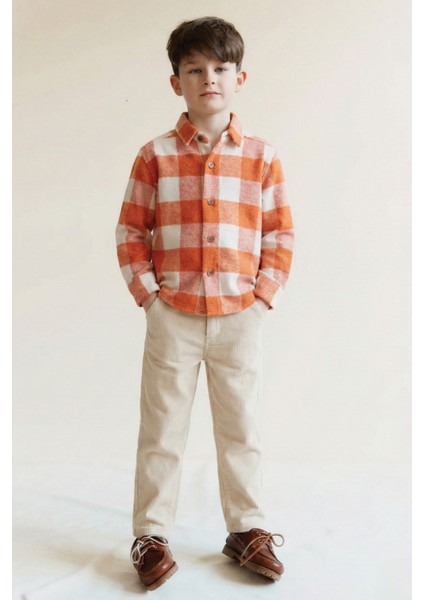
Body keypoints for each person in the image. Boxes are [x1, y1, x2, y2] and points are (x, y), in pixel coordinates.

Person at [115, 16, 294, 591]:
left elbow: (279, 233)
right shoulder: (155, 155)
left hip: (240, 315)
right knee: (162, 429)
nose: (208, 79)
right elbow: (130, 230)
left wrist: (262, 298)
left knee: (241, 427)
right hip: (174, 315)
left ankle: (247, 528)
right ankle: (151, 535)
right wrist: (150, 299)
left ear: (240, 78)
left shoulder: (262, 157)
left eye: (220, 68)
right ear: (177, 83)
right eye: (194, 70)